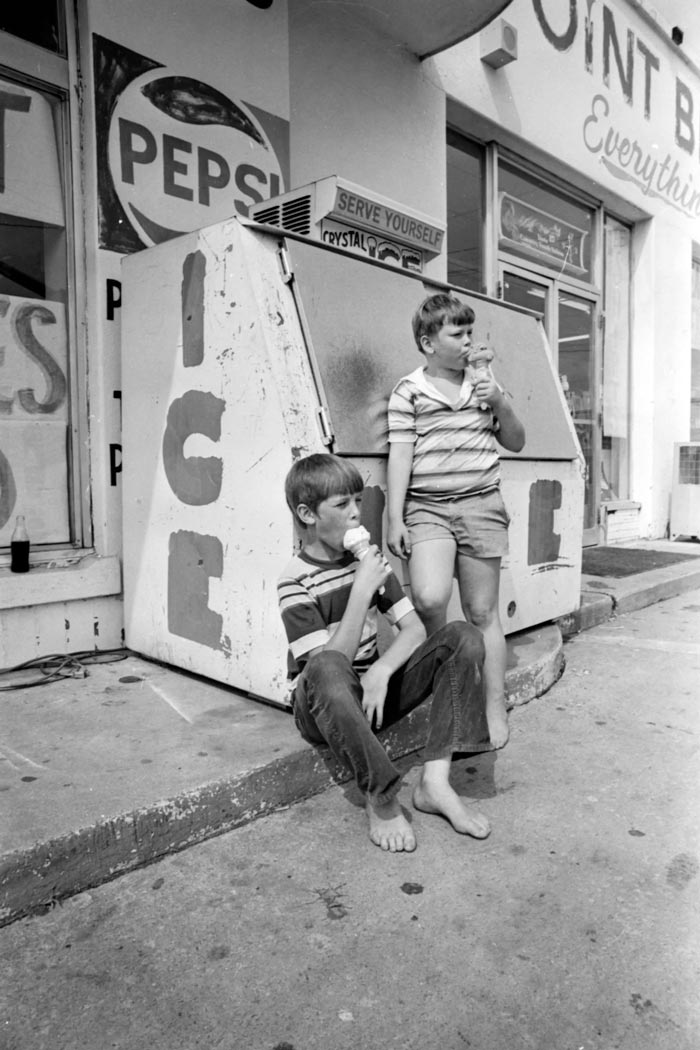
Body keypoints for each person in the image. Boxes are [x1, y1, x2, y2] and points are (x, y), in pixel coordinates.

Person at [277, 453, 494, 854]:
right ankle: (381, 796)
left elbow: (414, 629)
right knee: (327, 666)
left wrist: (381, 669)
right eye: (342, 504)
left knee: (463, 636)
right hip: (322, 707)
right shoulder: (294, 581)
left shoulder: (369, 561)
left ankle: (435, 783)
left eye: (358, 501)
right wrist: (362, 590)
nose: (356, 513)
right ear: (307, 514)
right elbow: (326, 666)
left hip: (370, 693)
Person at [386, 293, 526, 750]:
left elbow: (517, 441)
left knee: (482, 612)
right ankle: (449, 683)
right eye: (458, 334)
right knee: (429, 597)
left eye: (470, 332)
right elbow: (400, 455)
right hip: (427, 508)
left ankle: (492, 704)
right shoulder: (409, 391)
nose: (469, 341)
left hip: (481, 505)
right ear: (429, 343)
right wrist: (394, 516)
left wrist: (499, 401)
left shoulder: (485, 384)